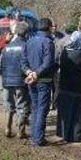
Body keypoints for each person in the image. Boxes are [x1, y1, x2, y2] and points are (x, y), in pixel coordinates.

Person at [21, 18, 56, 147]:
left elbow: (23, 61)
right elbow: (48, 63)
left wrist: (29, 72)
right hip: (43, 80)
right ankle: (38, 138)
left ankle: (35, 136)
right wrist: (35, 73)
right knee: (42, 109)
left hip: (32, 79)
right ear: (48, 27)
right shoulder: (48, 42)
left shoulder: (29, 41)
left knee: (35, 108)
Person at [55, 30, 81, 142]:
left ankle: (63, 133)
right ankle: (76, 135)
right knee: (77, 113)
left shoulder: (64, 53)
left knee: (64, 111)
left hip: (65, 86)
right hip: (78, 87)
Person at [0, 22, 30, 138]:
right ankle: (20, 131)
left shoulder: (7, 47)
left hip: (6, 81)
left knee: (8, 104)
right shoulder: (26, 46)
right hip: (20, 80)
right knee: (21, 105)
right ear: (26, 33)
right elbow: (28, 64)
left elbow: (0, 63)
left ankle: (7, 128)